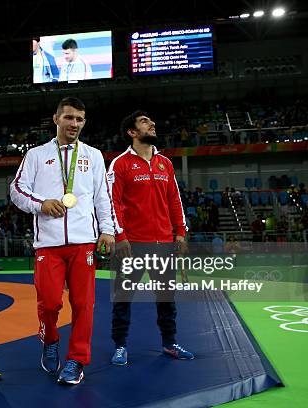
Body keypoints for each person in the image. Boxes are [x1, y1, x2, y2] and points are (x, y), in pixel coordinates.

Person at [10, 97, 115, 385]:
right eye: (69, 117)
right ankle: (51, 338)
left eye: (80, 119)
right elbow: (16, 190)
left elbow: (101, 197)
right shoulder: (35, 155)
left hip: (83, 243)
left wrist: (107, 230)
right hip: (48, 244)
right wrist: (41, 204)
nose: (74, 124)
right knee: (49, 304)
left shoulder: (93, 155)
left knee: (84, 303)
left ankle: (77, 360)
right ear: (56, 119)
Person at [108, 110, 194, 366]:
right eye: (145, 122)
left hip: (164, 244)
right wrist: (120, 236)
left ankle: (169, 343)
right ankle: (120, 346)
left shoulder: (165, 163)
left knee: (166, 297)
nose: (153, 123)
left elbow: (174, 200)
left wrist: (180, 232)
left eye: (151, 121)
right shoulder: (120, 164)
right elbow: (112, 203)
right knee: (123, 298)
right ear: (132, 133)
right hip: (131, 245)